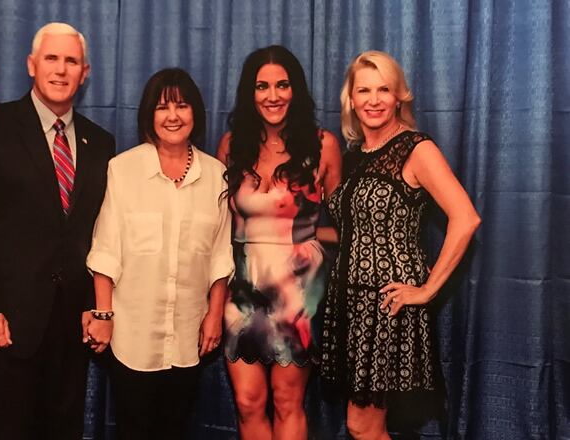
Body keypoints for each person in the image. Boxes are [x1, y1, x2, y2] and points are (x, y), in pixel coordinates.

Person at [319, 50, 481, 439]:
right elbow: (354, 233)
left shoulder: (415, 148)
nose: (373, 100)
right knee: (364, 424)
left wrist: (427, 289)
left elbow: (466, 218)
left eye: (384, 90)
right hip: (350, 305)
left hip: (387, 308)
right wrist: (294, 234)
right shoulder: (356, 156)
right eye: (364, 91)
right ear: (351, 100)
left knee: (362, 426)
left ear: (398, 97)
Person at [0, 22, 115, 439]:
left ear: (85, 72)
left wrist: (94, 305)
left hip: (70, 327)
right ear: (32, 65)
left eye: (72, 61)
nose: (61, 69)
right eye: (52, 58)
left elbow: (100, 232)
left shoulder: (101, 143)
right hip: (7, 322)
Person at [85, 68, 233, 440]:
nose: (172, 116)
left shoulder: (216, 175)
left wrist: (215, 315)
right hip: (133, 334)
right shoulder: (123, 169)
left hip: (189, 334)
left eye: (181, 106)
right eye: (162, 107)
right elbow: (106, 249)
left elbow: (219, 254)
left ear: (195, 114)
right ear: (149, 115)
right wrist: (103, 315)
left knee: (175, 428)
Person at [215, 45, 342, 439]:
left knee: (288, 400)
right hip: (243, 287)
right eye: (262, 86)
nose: (273, 95)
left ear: (296, 90)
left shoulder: (324, 145)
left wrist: (303, 237)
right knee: (248, 401)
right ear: (249, 94)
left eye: (282, 85)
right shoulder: (232, 145)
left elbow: (345, 227)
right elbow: (221, 227)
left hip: (297, 290)